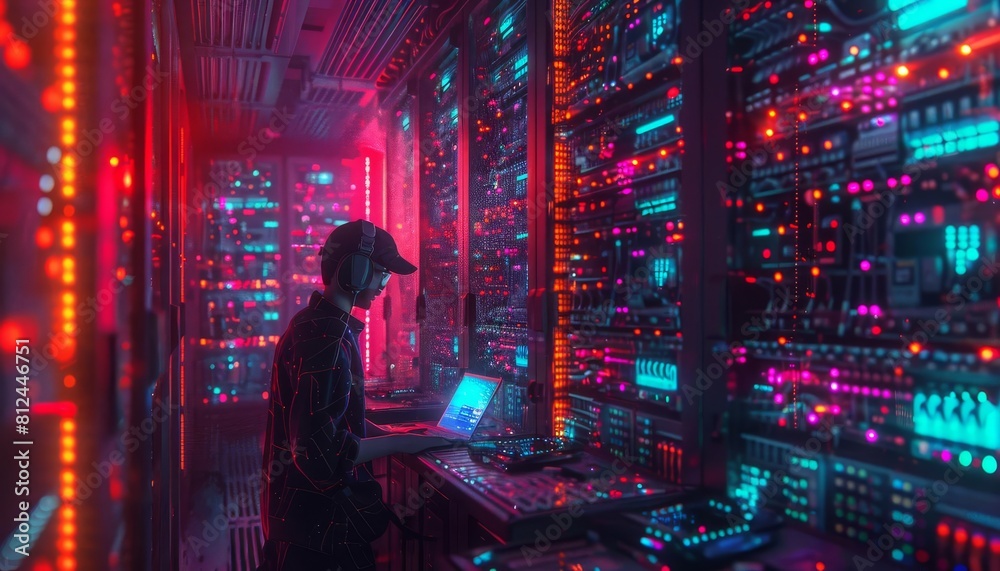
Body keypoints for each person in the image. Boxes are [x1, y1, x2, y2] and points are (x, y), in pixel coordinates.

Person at [258, 220, 454, 570]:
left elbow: (325, 420)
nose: (384, 284)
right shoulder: (328, 339)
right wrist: (402, 445)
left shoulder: (308, 324)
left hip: (297, 527)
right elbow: (319, 455)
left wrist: (397, 435)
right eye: (380, 272)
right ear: (356, 270)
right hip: (323, 539)